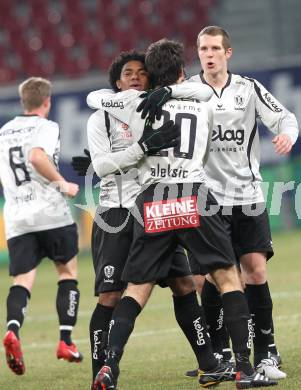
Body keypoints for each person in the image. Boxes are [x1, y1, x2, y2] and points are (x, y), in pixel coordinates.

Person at [88, 39, 277, 389]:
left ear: (151, 75)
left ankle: (109, 366)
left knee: (136, 289)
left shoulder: (134, 104)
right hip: (192, 193)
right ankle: (243, 369)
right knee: (227, 279)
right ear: (181, 71)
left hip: (153, 199)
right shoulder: (201, 102)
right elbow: (205, 135)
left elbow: (95, 98)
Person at [77, 51, 231, 385]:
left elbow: (202, 92)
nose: (135, 77)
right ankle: (101, 374)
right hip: (117, 212)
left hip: (153, 209)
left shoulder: (155, 106)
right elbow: (101, 167)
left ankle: (208, 363)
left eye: (141, 72)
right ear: (117, 82)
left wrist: (170, 92)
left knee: (184, 283)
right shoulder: (101, 115)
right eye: (127, 73)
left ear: (152, 78)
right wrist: (142, 148)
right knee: (111, 296)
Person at [186, 25, 299, 379]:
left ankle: (267, 351)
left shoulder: (247, 89)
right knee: (209, 279)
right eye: (203, 48)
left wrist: (286, 135)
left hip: (247, 196)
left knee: (256, 272)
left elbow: (284, 117)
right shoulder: (188, 91)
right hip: (207, 199)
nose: (208, 54)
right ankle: (220, 353)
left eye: (214, 48)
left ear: (227, 53)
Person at [0, 77, 82, 376]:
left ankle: (12, 330)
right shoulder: (46, 127)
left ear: (23, 101)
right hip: (51, 213)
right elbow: (37, 157)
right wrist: (62, 183)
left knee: (22, 280)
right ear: (47, 102)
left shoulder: (4, 131)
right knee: (67, 272)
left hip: (18, 216)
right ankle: (65, 341)